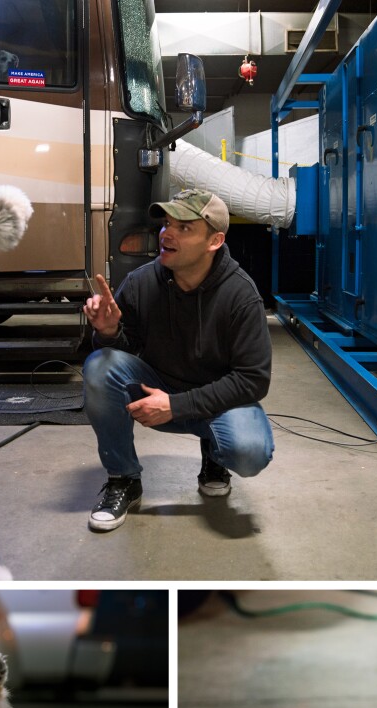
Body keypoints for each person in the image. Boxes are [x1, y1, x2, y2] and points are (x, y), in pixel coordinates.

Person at [81, 188, 274, 532]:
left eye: (184, 227)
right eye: (167, 223)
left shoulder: (241, 295)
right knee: (100, 365)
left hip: (217, 398)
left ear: (214, 241)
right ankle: (123, 478)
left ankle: (216, 457)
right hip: (158, 384)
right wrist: (109, 332)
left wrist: (176, 405)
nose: (167, 233)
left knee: (248, 451)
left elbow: (253, 380)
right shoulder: (141, 283)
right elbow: (122, 354)